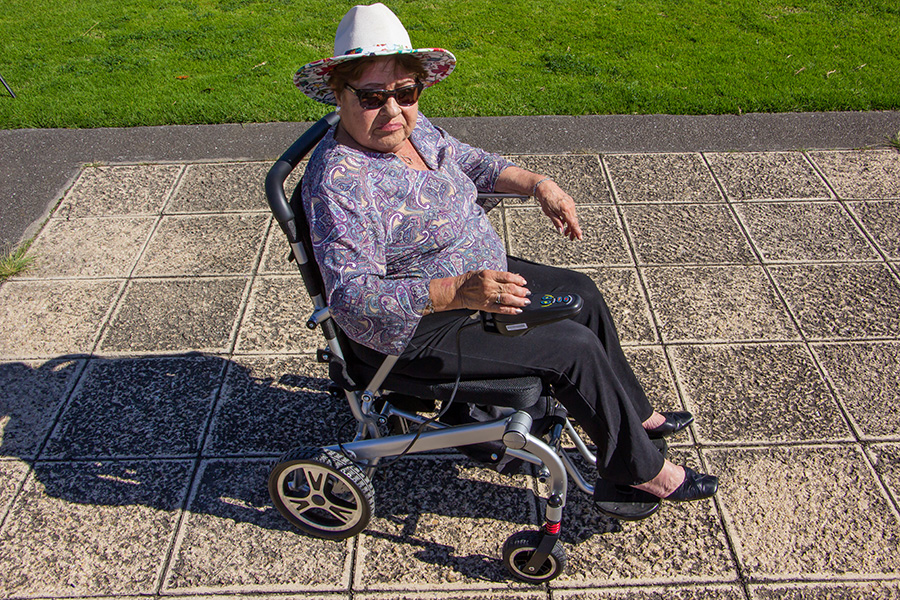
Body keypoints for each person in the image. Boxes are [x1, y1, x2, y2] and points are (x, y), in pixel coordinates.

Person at [293, 3, 717, 515]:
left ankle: (637, 419)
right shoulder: (340, 182)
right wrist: (458, 290)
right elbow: (352, 296)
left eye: (405, 92)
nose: (392, 110)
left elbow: (475, 163)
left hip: (478, 281)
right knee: (573, 349)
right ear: (338, 94)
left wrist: (539, 185)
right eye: (371, 97)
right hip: (417, 328)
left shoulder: (413, 130)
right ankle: (641, 472)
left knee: (582, 292)